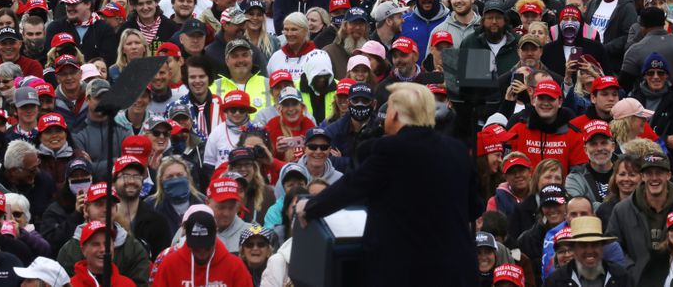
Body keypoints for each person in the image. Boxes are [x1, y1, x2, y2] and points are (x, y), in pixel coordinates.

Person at [296, 83, 483, 287]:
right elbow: (474, 207)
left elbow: (351, 187)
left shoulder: (391, 149)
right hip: (456, 272)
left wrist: (311, 207)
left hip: (405, 273)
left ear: (394, 114)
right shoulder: (457, 151)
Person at [607, 153, 673, 284]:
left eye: (659, 173)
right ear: (642, 176)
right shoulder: (622, 210)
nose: (654, 178)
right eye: (649, 173)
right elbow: (612, 247)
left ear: (668, 175)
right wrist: (631, 270)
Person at [153, 206, 253, 286]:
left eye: (206, 245)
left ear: (215, 234)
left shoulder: (235, 267)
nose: (202, 251)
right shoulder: (169, 265)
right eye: (196, 246)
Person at [544, 216, 632, 287]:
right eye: (583, 245)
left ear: (602, 247)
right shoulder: (555, 282)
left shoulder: (621, 276)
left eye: (595, 244)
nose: (589, 251)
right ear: (574, 249)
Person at [69, 221, 136, 287]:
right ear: (83, 250)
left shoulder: (127, 284)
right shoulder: (71, 285)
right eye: (96, 244)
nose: (103, 249)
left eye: (107, 244)